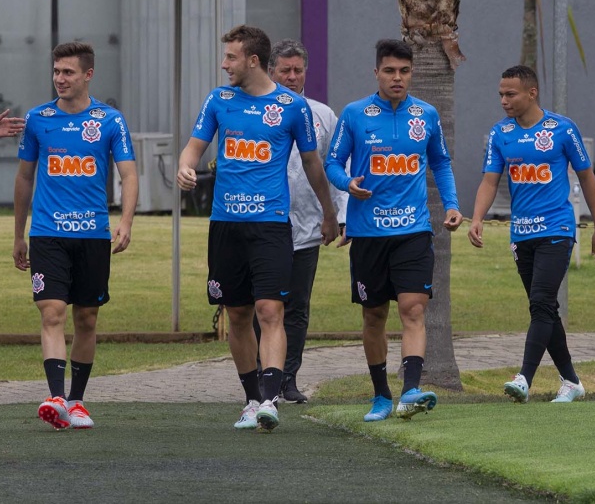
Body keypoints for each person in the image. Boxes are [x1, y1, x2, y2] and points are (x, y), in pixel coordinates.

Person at [177, 25, 339, 431]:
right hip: (226, 226)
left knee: (271, 311)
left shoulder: (291, 107)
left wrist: (329, 211)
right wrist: (184, 166)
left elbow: (313, 164)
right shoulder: (219, 99)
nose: (224, 64)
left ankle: (270, 399)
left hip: (270, 226)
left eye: (231, 57)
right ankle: (251, 398)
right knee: (237, 314)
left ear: (252, 60)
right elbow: (194, 147)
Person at [325, 39, 463, 422]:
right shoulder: (355, 114)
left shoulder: (427, 115)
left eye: (404, 71)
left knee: (413, 307)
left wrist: (451, 204)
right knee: (373, 316)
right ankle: (381, 395)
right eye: (389, 71)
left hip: (413, 231)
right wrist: (347, 183)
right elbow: (332, 162)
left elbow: (441, 163)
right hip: (368, 234)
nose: (397, 78)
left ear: (412, 73)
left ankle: (411, 390)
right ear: (377, 73)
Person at [13, 42, 138, 429]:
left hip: (93, 235)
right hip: (48, 233)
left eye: (67, 72)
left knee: (86, 318)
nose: (59, 79)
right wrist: (19, 234)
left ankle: (77, 401)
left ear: (88, 74)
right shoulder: (38, 119)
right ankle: (55, 396)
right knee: (52, 312)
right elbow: (24, 178)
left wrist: (126, 221)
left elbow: (129, 174)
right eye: (56, 71)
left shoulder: (110, 120)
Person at [468, 65, 595, 403]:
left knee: (541, 303)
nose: (504, 100)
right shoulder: (501, 133)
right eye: (500, 94)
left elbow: (587, 176)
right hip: (521, 233)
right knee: (544, 310)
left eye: (510, 94)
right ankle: (571, 382)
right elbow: (490, 180)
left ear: (532, 93)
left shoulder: (562, 128)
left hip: (557, 228)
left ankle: (524, 378)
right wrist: (477, 218)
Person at [253, 39, 348, 403]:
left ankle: (288, 377)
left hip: (306, 228)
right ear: (271, 71)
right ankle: (261, 377)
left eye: (298, 70)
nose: (292, 77)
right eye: (285, 70)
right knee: (259, 304)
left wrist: (338, 217)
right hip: (260, 224)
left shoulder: (323, 115)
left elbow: (335, 167)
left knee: (296, 306)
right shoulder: (255, 110)